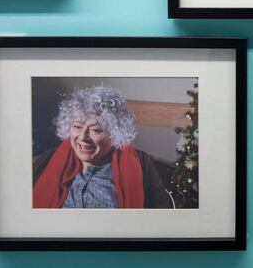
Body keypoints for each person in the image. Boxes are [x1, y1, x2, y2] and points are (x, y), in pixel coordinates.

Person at [33, 86, 174, 209]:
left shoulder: (142, 165)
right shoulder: (49, 160)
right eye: (77, 127)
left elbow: (160, 221)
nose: (82, 137)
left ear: (114, 133)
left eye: (95, 130)